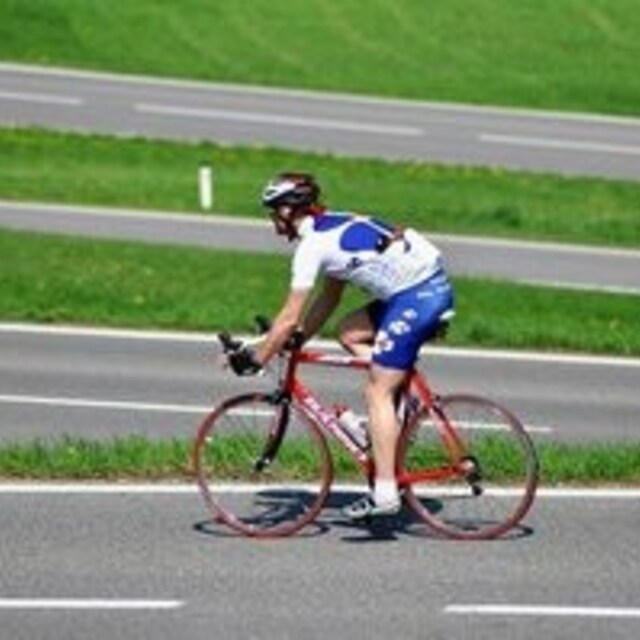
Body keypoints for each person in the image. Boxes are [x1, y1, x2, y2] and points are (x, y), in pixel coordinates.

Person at [227, 172, 455, 519]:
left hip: (417, 297)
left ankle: (385, 492)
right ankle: (401, 393)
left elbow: (288, 317)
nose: (274, 223)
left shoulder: (312, 247)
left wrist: (257, 359)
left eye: (274, 214)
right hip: (418, 290)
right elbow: (329, 298)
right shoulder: (331, 225)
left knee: (377, 391)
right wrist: (298, 339)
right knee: (349, 332)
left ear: (288, 211)